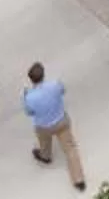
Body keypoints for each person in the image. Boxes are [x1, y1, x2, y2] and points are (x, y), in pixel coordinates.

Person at [23, 61, 84, 190]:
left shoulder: (29, 97)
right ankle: (78, 180)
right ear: (43, 75)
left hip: (43, 126)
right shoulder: (54, 85)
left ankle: (45, 156)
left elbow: (29, 112)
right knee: (70, 149)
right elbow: (63, 90)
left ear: (31, 79)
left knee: (44, 142)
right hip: (61, 121)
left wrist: (25, 97)